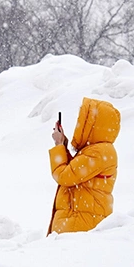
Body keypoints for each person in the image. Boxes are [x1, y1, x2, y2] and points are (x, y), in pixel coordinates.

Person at [47, 97, 121, 234]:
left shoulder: (98, 152)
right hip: (81, 222)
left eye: (84, 120)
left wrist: (58, 146)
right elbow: (75, 174)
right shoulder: (97, 150)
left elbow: (64, 176)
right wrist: (63, 146)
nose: (79, 125)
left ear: (93, 124)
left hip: (80, 224)